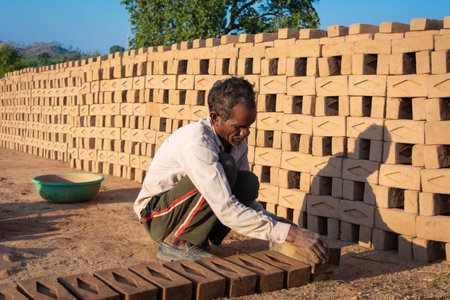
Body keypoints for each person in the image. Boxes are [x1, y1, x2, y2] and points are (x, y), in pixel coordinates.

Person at [134, 77, 329, 262]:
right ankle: (175, 243)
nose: (245, 133)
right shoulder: (197, 142)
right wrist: (291, 235)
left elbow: (238, 197)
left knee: (247, 182)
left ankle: (195, 240)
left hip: (184, 210)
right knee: (225, 168)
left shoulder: (236, 142)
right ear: (215, 118)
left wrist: (278, 224)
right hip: (156, 215)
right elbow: (225, 206)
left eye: (249, 126)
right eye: (239, 126)